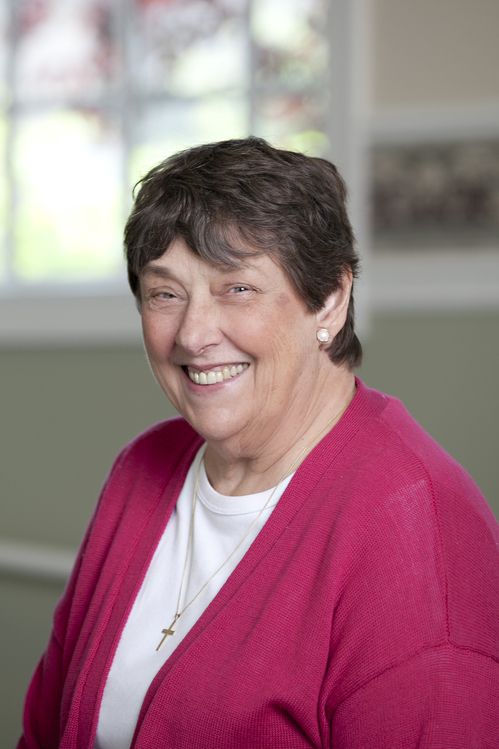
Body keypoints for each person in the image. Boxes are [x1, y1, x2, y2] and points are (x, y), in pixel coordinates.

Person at [19, 137, 498, 749]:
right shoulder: (139, 469)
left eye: (237, 288)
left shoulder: (415, 531)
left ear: (330, 299)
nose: (193, 335)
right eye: (166, 293)